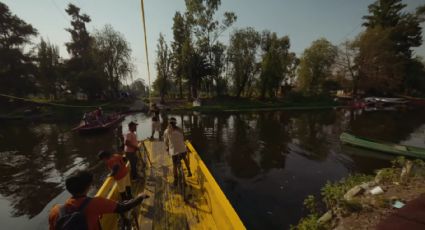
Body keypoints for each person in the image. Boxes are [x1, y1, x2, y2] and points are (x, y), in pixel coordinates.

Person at [48, 170, 148, 230]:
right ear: (88, 187)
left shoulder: (55, 211)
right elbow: (123, 207)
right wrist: (140, 197)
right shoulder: (95, 203)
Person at [163, 117, 192, 186]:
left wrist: (167, 147)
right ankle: (189, 171)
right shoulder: (180, 130)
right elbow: (182, 139)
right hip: (182, 149)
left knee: (174, 165)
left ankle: (175, 180)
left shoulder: (166, 131)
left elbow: (165, 141)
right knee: (184, 158)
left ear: (169, 123)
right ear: (175, 123)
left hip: (174, 151)